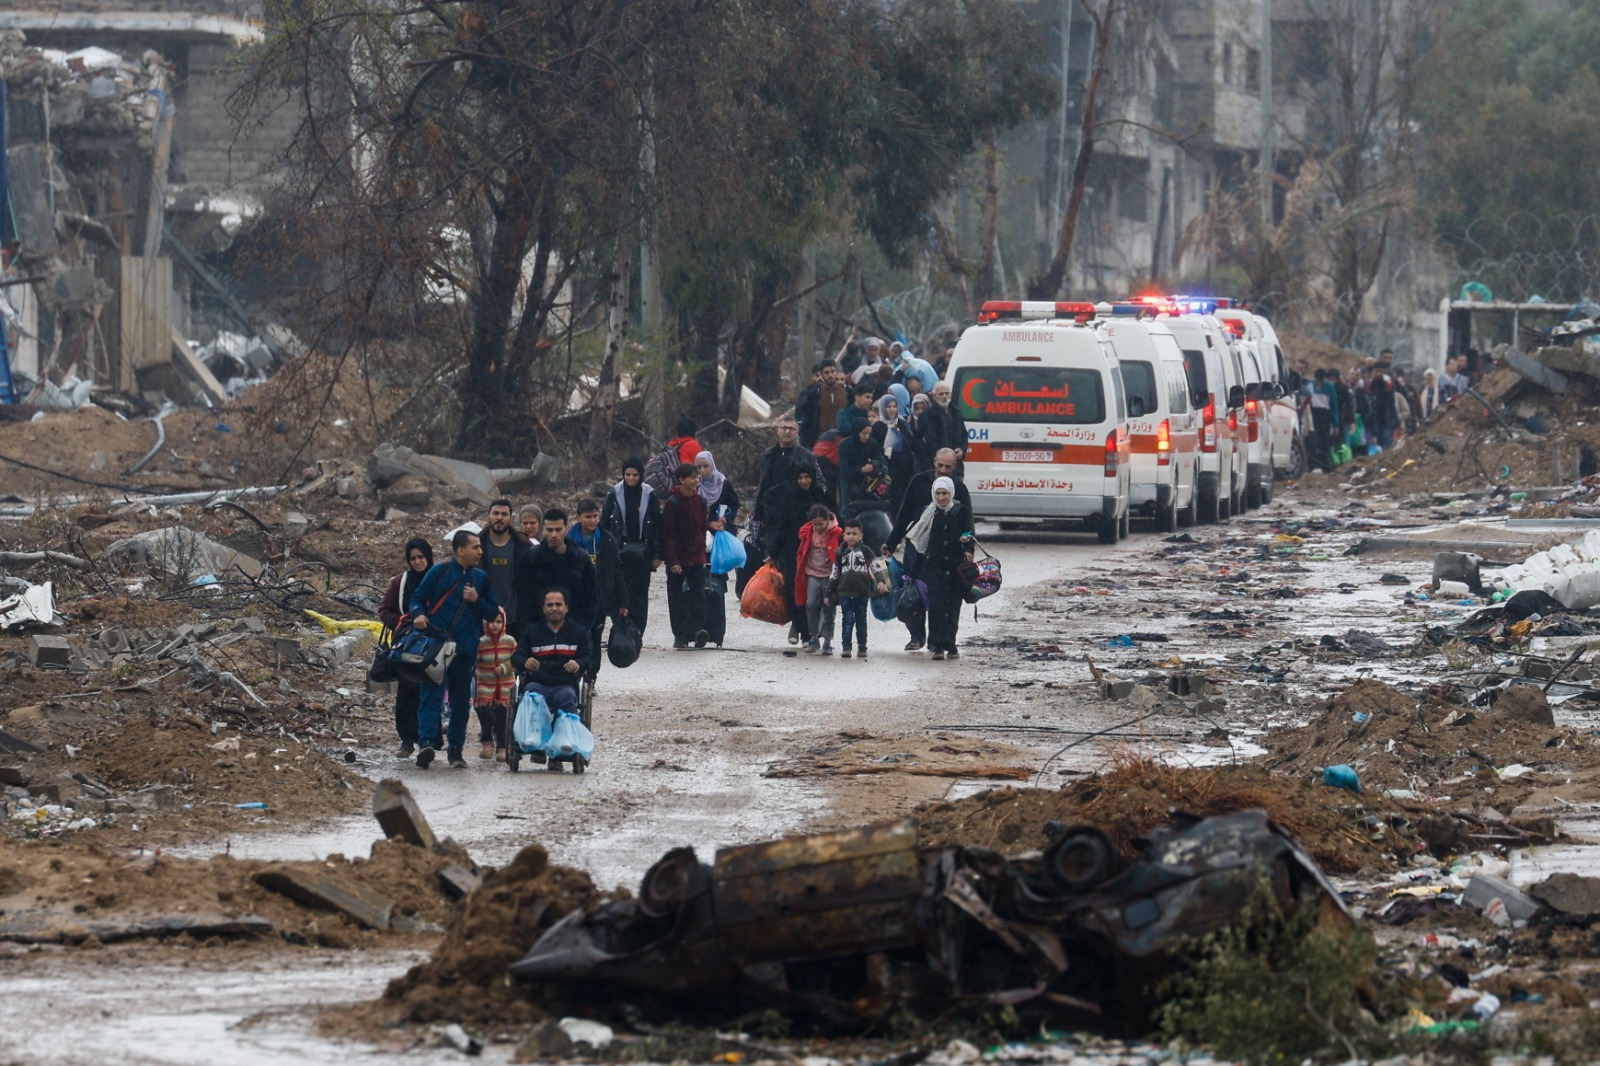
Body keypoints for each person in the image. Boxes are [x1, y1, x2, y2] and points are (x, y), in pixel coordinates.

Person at [408, 528, 499, 769]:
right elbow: (417, 599)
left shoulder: (481, 579)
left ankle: (455, 751)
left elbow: (492, 613)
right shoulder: (439, 572)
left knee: (460, 700)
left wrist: (476, 600)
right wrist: (418, 615)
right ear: (460, 550)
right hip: (437, 645)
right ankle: (427, 743)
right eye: (475, 547)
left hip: (466, 649)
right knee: (431, 695)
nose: (480, 551)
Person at [884, 449, 970, 651]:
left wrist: (969, 549)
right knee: (913, 591)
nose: (943, 469)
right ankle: (916, 636)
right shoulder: (918, 482)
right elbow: (904, 515)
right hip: (918, 547)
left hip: (948, 552)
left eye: (948, 467)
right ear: (934, 463)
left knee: (945, 597)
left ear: (954, 467)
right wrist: (891, 542)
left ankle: (940, 640)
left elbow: (968, 523)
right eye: (940, 465)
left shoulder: (959, 488)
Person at [512, 587, 593, 772]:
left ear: (566, 608)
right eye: (550, 605)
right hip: (538, 682)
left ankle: (564, 742)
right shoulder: (532, 632)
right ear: (543, 609)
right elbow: (516, 657)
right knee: (532, 694)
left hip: (565, 684)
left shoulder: (578, 633)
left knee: (567, 697)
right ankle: (533, 737)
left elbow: (589, 658)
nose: (554, 608)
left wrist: (578, 663)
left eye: (558, 604)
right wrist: (525, 661)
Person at [907, 476, 974, 661]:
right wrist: (914, 573)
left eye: (945, 493)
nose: (942, 497)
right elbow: (922, 545)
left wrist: (967, 549)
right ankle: (936, 645)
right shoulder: (928, 513)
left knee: (953, 606)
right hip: (933, 567)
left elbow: (969, 533)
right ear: (933, 494)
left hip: (955, 567)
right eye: (938, 493)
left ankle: (951, 644)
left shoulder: (961, 511)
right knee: (935, 607)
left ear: (951, 493)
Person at [761, 464, 827, 645]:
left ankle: (812, 631)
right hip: (793, 553)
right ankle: (802, 630)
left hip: (817, 553)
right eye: (800, 478)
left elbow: (834, 521)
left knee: (815, 594)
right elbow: (782, 527)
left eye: (807, 477)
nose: (804, 481)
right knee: (794, 591)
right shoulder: (790, 497)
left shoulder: (820, 497)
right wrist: (772, 552)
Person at [378, 536, 432, 757]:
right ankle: (407, 740)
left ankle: (428, 738)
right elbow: (384, 610)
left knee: (429, 692)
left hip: (433, 644)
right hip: (406, 644)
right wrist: (401, 623)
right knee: (407, 692)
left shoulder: (439, 578)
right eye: (413, 558)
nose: (418, 562)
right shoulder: (399, 583)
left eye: (421, 557)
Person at [513, 507, 597, 639]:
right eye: (549, 530)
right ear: (543, 529)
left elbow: (590, 598)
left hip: (573, 632)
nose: (553, 535)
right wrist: (528, 631)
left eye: (558, 530)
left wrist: (583, 629)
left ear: (566, 529)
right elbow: (522, 598)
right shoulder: (530, 559)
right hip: (538, 634)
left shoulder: (580, 559)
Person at [601, 457, 663, 635]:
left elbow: (657, 525)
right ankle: (620, 628)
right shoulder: (614, 494)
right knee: (619, 591)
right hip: (618, 551)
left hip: (643, 552)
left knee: (640, 593)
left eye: (635, 475)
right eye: (627, 474)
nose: (631, 479)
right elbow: (604, 524)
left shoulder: (649, 494)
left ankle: (637, 631)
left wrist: (658, 554)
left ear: (641, 475)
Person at [569, 498, 625, 677]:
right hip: (574, 600)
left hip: (600, 599)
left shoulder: (607, 540)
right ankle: (576, 676)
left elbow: (617, 573)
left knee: (594, 638)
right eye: (587, 517)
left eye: (595, 516)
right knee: (576, 639)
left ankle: (591, 677)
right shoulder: (568, 541)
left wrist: (622, 601)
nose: (592, 520)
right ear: (578, 517)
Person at [661, 463, 710, 648]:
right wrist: (672, 560)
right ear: (682, 480)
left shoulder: (701, 502)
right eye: (692, 477)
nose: (696, 480)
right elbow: (667, 534)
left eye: (697, 477)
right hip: (678, 559)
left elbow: (702, 529)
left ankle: (698, 630)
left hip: (696, 558)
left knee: (699, 595)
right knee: (676, 598)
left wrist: (702, 555)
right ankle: (680, 635)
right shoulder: (672, 503)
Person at [751, 418, 824, 540]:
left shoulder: (806, 456)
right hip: (772, 512)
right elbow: (762, 485)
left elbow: (820, 483)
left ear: (797, 433)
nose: (787, 431)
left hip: (798, 514)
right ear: (778, 431)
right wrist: (757, 514)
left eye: (791, 428)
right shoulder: (768, 455)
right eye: (784, 428)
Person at [825, 518, 884, 659]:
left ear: (861, 536)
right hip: (845, 591)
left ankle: (862, 647)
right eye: (848, 533)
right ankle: (846, 647)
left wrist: (880, 580)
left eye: (854, 534)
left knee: (861, 619)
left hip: (862, 591)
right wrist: (829, 590)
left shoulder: (866, 551)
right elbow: (834, 573)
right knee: (847, 619)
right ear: (844, 536)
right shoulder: (840, 552)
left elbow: (875, 566)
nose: (851, 537)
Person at [794, 503, 841, 655]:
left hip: (830, 576)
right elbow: (802, 551)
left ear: (828, 520)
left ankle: (827, 641)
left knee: (829, 608)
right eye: (815, 524)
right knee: (810, 604)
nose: (818, 527)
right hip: (812, 574)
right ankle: (813, 637)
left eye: (821, 524)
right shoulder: (808, 532)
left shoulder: (837, 533)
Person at [474, 609, 516, 761]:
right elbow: (475, 660)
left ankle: (502, 747)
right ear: (485, 623)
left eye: (498, 622)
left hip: (505, 686)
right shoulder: (480, 642)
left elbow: (516, 660)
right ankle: (486, 741)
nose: (495, 625)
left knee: (502, 718)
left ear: (504, 623)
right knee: (485, 713)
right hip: (485, 683)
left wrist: (505, 668)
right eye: (491, 622)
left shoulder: (510, 641)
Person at [481, 499, 531, 624]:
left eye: (504, 514)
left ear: (510, 518)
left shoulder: (523, 546)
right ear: (489, 516)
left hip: (514, 617)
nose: (499, 517)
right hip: (483, 615)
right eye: (495, 513)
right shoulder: (477, 545)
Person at [876, 389, 919, 518]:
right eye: (889, 407)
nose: (892, 410)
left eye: (895, 406)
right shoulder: (878, 427)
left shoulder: (902, 423)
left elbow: (911, 441)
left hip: (904, 470)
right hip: (887, 469)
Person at [838, 414, 887, 520]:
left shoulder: (872, 444)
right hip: (850, 486)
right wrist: (861, 469)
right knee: (848, 516)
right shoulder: (845, 445)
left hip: (869, 486)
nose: (866, 436)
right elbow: (844, 470)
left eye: (869, 433)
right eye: (863, 433)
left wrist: (875, 469)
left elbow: (883, 464)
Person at [918, 381, 969, 477]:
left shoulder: (956, 413)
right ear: (934, 396)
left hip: (955, 468)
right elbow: (918, 442)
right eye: (941, 394)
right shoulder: (926, 416)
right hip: (933, 468)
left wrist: (962, 450)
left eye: (947, 393)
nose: (944, 396)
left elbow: (964, 436)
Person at [704, 503, 737, 647]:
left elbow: (731, 525)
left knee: (716, 594)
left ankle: (717, 633)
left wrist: (724, 522)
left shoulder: (723, 491)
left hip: (716, 562)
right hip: (697, 558)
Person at [696, 450, 740, 526]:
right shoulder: (695, 485)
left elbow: (734, 504)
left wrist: (726, 517)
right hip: (700, 528)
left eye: (705, 466)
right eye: (699, 467)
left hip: (721, 527)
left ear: (712, 465)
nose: (702, 470)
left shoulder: (723, 483)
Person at [1309, 369, 1338, 472]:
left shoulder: (1330, 387)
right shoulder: (1310, 385)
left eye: (1321, 380)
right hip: (1313, 416)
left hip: (1325, 417)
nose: (1319, 383)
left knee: (1325, 442)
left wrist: (1336, 425)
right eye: (1318, 380)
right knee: (1313, 441)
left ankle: (1325, 465)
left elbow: (1334, 407)